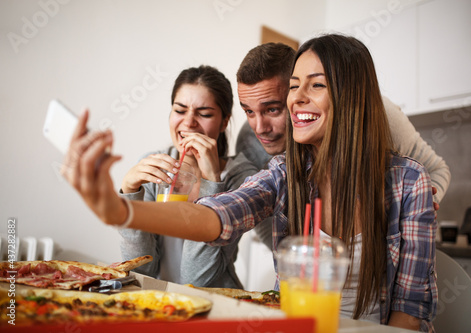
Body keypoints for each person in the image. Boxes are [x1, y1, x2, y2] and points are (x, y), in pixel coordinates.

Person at [62, 34, 437, 331]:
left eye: (316, 85)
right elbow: (218, 218)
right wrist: (121, 209)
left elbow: (409, 312)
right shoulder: (283, 172)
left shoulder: (408, 182)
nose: (297, 99)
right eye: (293, 86)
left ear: (350, 95)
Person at [234, 42, 451, 251]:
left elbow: (436, 169)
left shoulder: (380, 116)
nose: (260, 128)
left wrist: (419, 205)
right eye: (249, 111)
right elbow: (260, 212)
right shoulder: (249, 142)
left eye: (273, 109)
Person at [118, 65, 257, 288]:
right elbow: (140, 271)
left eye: (204, 114)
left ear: (223, 122)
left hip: (216, 306)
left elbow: (198, 280)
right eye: (180, 110)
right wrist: (129, 193)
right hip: (158, 304)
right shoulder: (154, 168)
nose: (189, 122)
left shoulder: (240, 179)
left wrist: (212, 181)